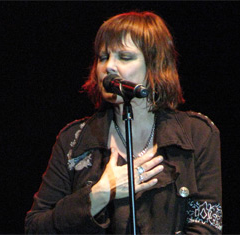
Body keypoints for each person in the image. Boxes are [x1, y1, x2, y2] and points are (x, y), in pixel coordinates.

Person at [25, 11, 222, 234]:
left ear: (154, 66)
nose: (108, 66)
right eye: (103, 57)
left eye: (124, 57)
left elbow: (208, 225)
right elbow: (35, 227)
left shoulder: (197, 134)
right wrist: (99, 194)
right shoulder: (75, 140)